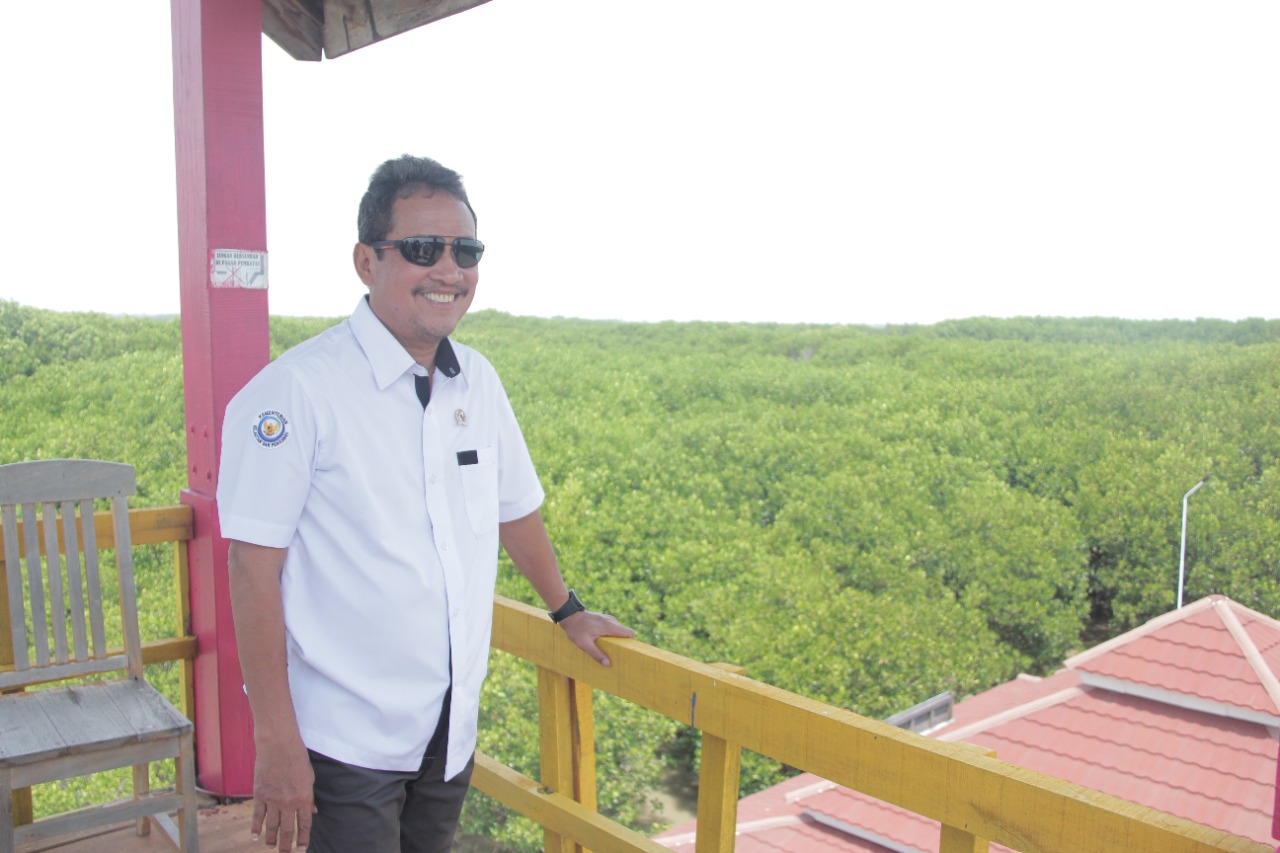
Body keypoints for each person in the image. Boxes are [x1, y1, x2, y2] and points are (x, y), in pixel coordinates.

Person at [218, 154, 634, 853]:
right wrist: (276, 739)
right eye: (421, 249)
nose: (449, 270)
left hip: (447, 727)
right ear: (366, 261)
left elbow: (514, 509)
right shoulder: (295, 393)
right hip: (343, 736)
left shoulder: (477, 381)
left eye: (464, 250)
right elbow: (252, 569)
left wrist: (567, 609)